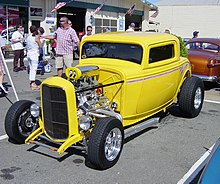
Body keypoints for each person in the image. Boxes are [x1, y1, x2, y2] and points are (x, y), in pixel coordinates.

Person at [26, 25, 42, 90]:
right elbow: (40, 46)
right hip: (34, 54)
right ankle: (33, 83)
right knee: (34, 68)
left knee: (31, 67)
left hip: (29, 54)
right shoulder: (36, 38)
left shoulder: (28, 37)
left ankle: (31, 81)